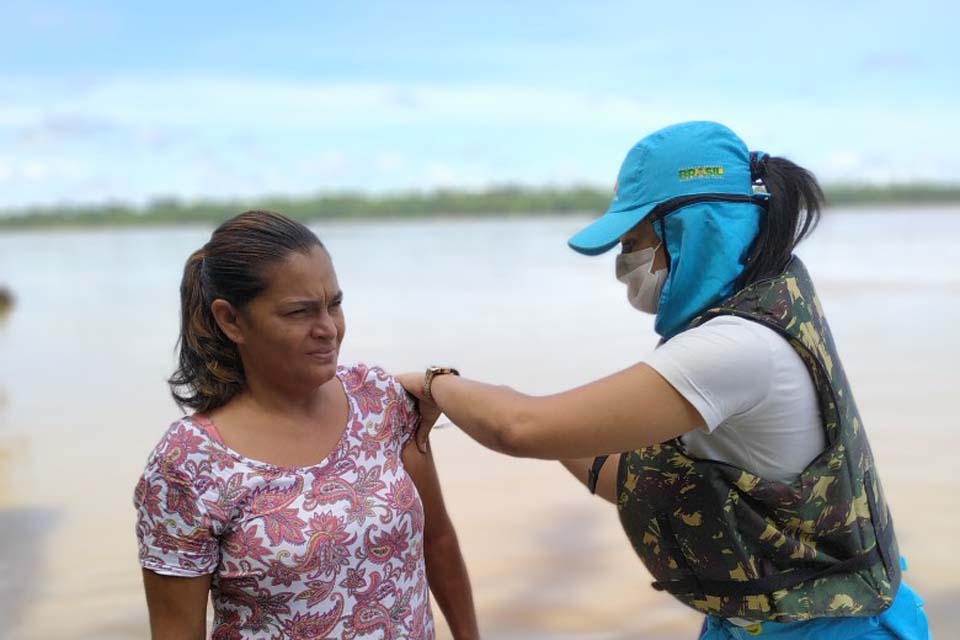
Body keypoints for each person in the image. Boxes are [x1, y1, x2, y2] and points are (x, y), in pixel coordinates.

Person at [400, 122, 930, 639]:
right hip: (775, 617)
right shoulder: (773, 299)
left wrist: (436, 383)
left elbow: (517, 428)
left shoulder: (734, 347)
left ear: (692, 228)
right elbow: (632, 478)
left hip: (828, 628)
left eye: (632, 241)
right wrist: (562, 434)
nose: (623, 265)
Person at [134, 210, 478, 640]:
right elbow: (175, 631)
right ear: (231, 320)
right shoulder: (189, 463)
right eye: (300, 312)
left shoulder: (379, 400)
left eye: (335, 304)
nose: (328, 329)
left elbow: (437, 540)